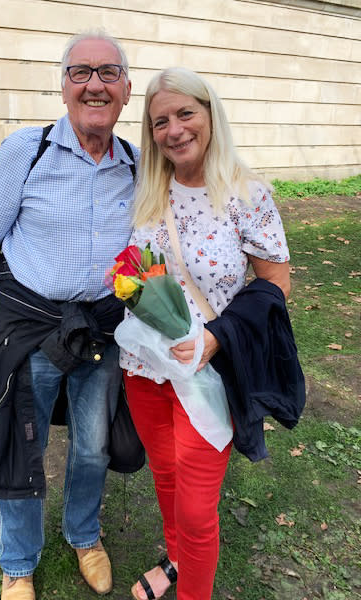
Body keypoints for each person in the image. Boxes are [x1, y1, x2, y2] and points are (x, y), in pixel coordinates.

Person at [0, 31, 137, 600]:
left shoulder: (135, 162)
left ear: (126, 89)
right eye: (80, 72)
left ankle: (84, 534)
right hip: (30, 327)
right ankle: (17, 564)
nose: (94, 84)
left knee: (93, 444)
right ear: (63, 87)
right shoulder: (23, 152)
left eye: (108, 72)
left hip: (104, 329)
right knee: (18, 443)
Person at [120, 67, 293, 600]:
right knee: (166, 480)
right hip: (145, 370)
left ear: (209, 113)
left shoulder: (247, 195)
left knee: (197, 509)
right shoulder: (148, 190)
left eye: (185, 114)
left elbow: (274, 290)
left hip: (207, 374)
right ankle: (175, 561)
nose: (173, 130)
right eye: (159, 122)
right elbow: (136, 270)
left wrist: (218, 337)